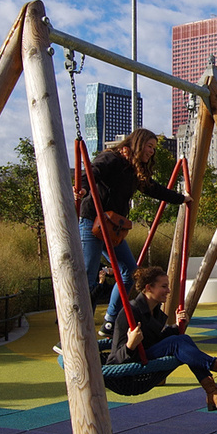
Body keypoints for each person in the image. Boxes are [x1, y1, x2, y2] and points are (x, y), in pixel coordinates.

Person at [77, 128, 191, 335]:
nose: (152, 152)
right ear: (138, 143)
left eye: (154, 149)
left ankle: (110, 321)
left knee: (130, 272)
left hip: (113, 229)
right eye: (149, 146)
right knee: (88, 275)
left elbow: (152, 188)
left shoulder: (134, 168)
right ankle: (78, 330)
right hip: (93, 221)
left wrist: (180, 199)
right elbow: (93, 172)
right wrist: (83, 188)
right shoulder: (112, 158)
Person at [109, 266, 217, 411]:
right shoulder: (129, 313)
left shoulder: (155, 311)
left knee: (183, 339)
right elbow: (115, 359)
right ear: (149, 288)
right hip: (128, 370)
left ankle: (213, 392)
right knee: (177, 343)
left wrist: (177, 326)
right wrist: (130, 345)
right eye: (164, 286)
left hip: (147, 356)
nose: (168, 290)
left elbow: (156, 339)